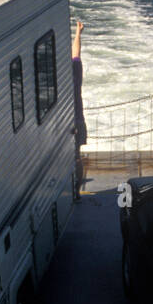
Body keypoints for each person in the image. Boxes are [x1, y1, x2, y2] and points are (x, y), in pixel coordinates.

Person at [71, 20, 86, 196]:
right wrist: (78, 32)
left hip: (73, 122)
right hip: (78, 121)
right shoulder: (76, 71)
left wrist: (78, 33)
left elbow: (75, 52)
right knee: (77, 157)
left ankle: (74, 190)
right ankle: (76, 191)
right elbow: (76, 52)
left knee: (74, 158)